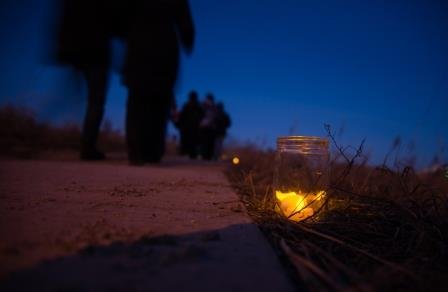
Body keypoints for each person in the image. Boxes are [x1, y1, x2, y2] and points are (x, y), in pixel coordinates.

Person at [123, 0, 195, 165]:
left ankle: (137, 150)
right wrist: (187, 37)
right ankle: (152, 151)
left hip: (138, 48)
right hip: (163, 50)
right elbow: (185, 22)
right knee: (158, 103)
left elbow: (119, 18)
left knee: (137, 101)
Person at [55, 0, 127, 160]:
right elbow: (118, 25)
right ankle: (86, 145)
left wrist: (63, 49)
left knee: (82, 98)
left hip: (77, 49)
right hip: (96, 54)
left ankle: (80, 141)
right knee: (96, 100)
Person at [176, 91, 204, 159]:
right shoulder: (193, 105)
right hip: (191, 126)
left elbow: (182, 115)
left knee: (191, 140)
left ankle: (190, 153)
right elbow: (182, 115)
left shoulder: (190, 105)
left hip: (191, 126)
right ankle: (190, 153)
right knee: (192, 140)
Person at [199, 93, 218, 160]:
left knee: (208, 142)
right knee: (206, 142)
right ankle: (206, 155)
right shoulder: (204, 106)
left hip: (208, 127)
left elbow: (215, 117)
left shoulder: (213, 107)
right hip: (206, 127)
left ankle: (207, 155)